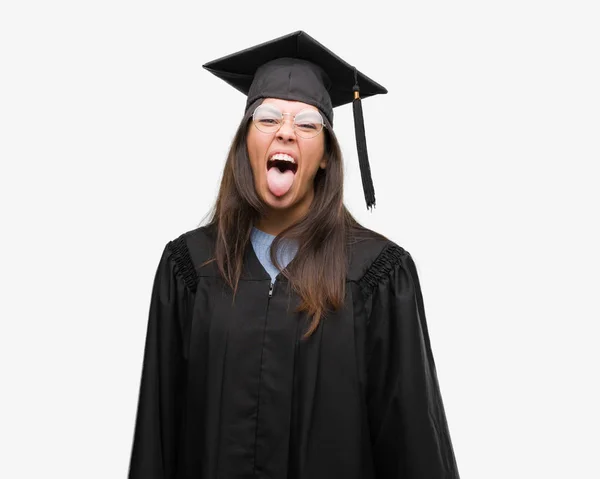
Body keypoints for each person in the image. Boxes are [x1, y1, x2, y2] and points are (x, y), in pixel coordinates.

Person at [128, 30, 460, 479]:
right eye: (267, 118)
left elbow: (413, 444)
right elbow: (158, 440)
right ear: (246, 142)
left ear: (325, 155)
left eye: (307, 124)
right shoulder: (189, 268)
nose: (286, 130)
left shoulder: (378, 275)